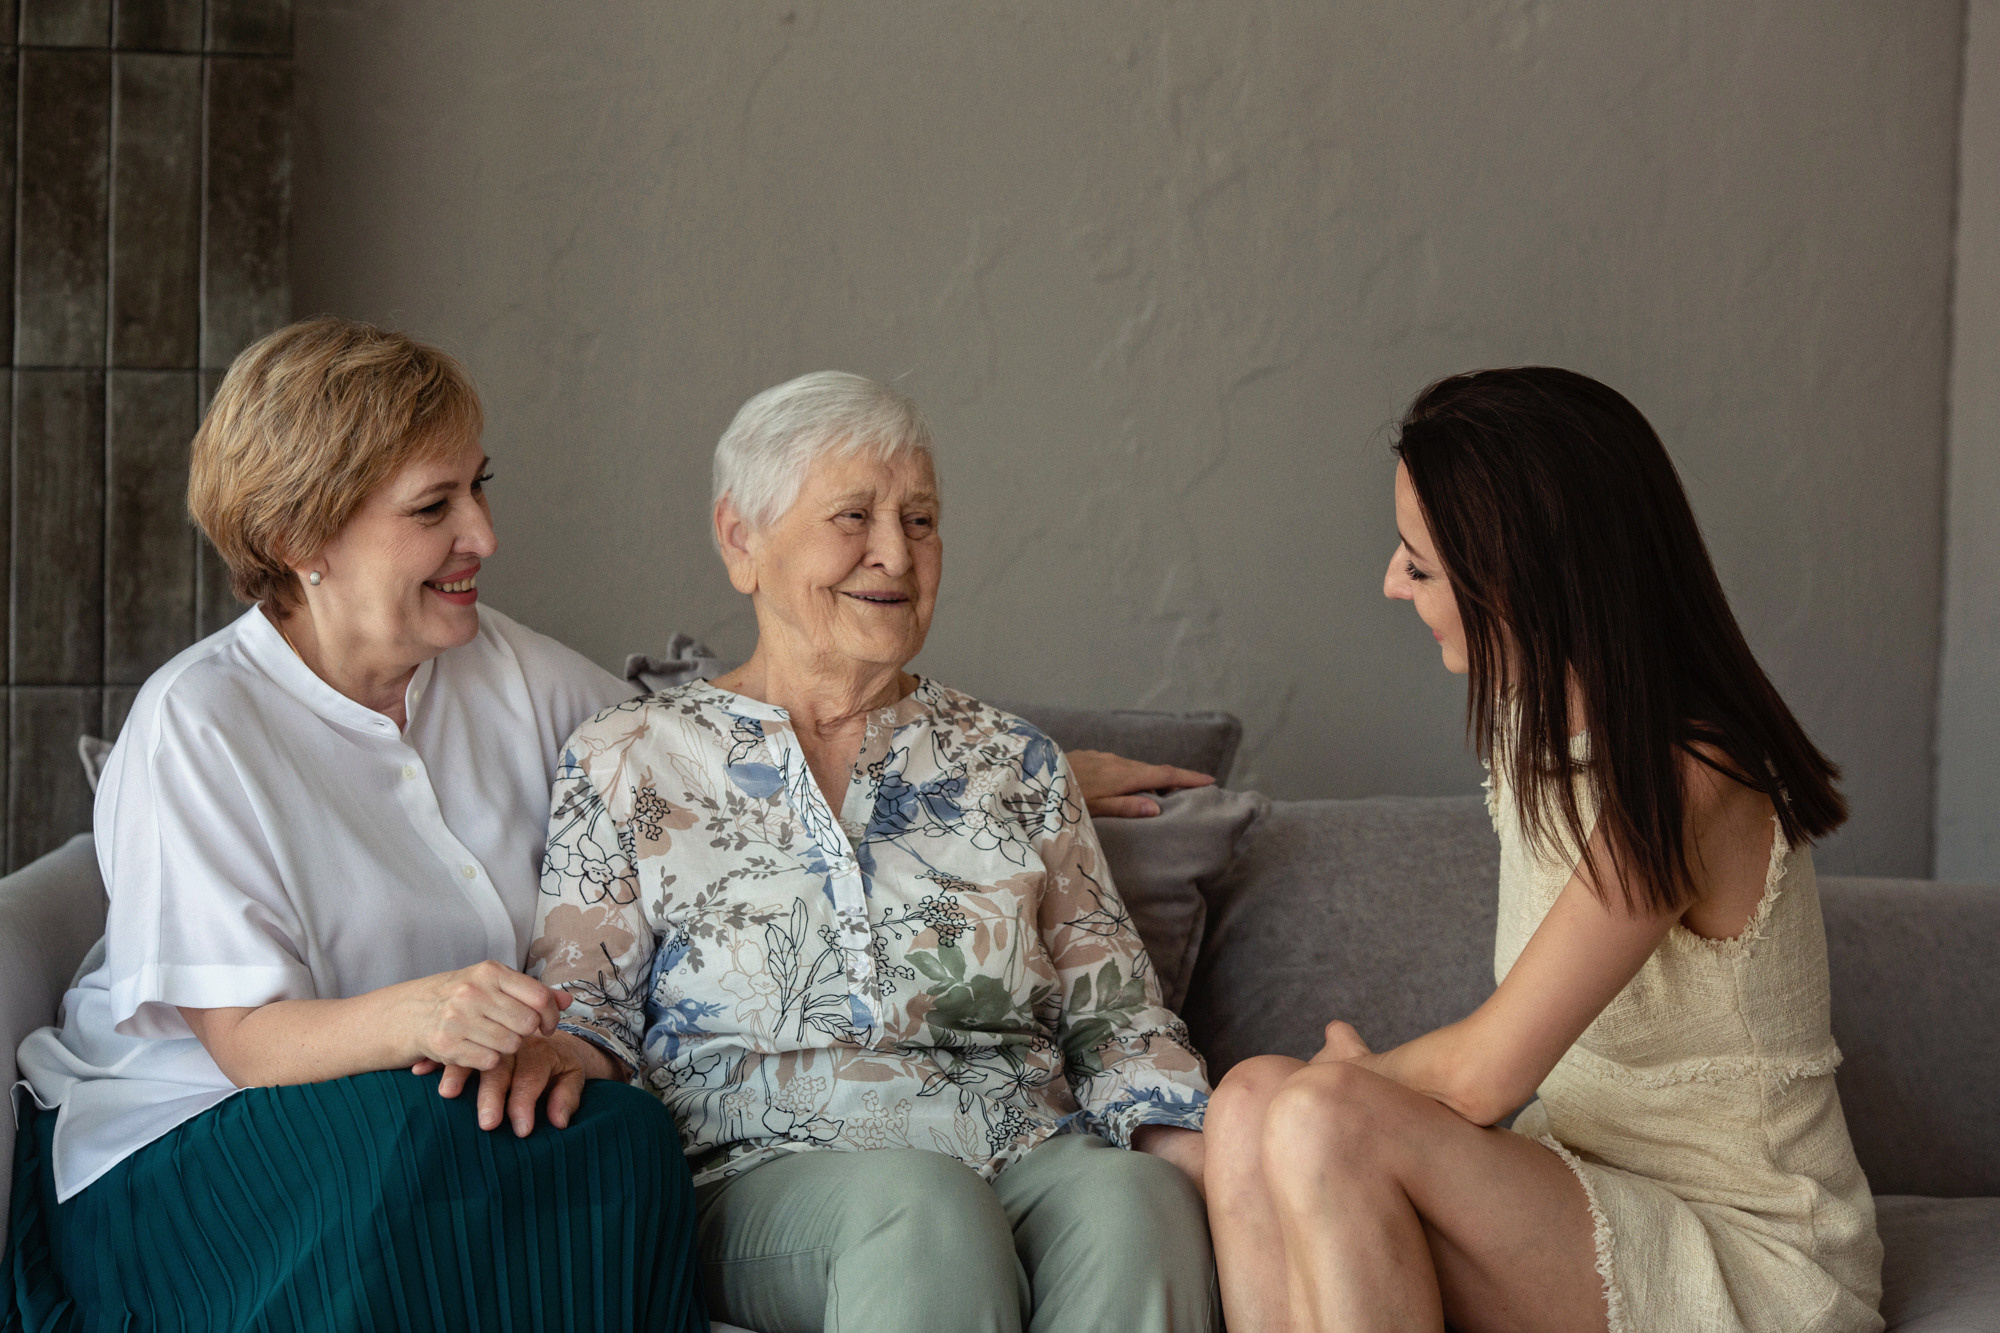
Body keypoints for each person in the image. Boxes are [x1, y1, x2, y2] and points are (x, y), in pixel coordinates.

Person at [526, 371, 1218, 1333]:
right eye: (853, 516)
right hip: (763, 1174)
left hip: (1021, 1148)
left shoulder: (1013, 759)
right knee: (923, 1208)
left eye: (921, 521)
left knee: (1138, 1204)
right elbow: (585, 1016)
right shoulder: (630, 757)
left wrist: (1191, 1151)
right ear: (742, 541)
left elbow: (1118, 1014)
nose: (895, 552)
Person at [1202, 368, 1883, 1333]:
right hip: (1581, 1189)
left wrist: (1352, 1078)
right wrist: (1339, 1084)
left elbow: (1489, 1073)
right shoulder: (1541, 737)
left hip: (1750, 1256)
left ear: (1520, 581)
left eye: (1418, 563)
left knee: (1314, 1117)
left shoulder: (1696, 771)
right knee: (1246, 1104)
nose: (1391, 582)